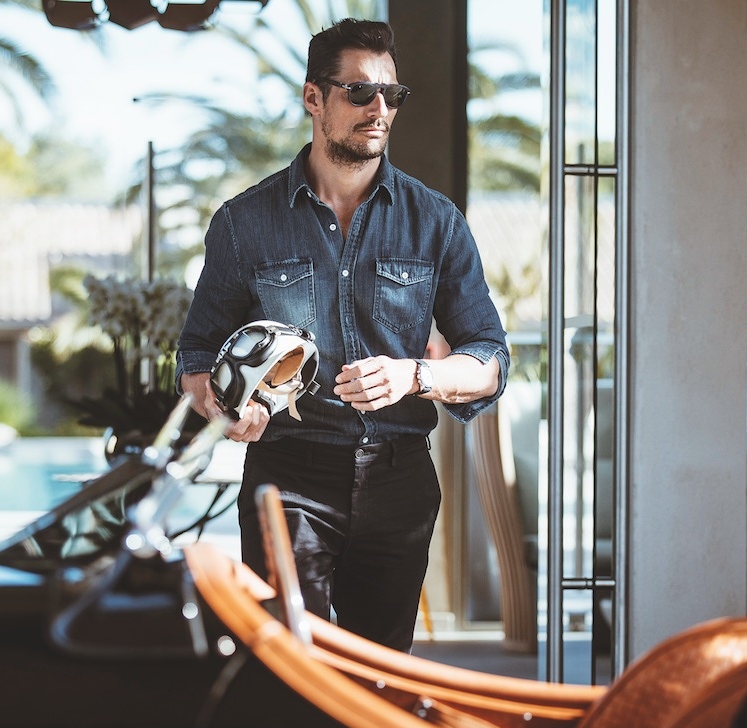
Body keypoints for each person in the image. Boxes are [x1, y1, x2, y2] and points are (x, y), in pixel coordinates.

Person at [177, 18, 508, 652]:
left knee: (380, 674)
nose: (379, 110)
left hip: (400, 481)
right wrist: (227, 409)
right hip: (288, 476)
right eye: (358, 93)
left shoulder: (437, 222)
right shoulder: (245, 223)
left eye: (391, 94)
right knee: (287, 664)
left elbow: (489, 359)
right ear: (314, 99)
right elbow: (197, 356)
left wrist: (416, 376)